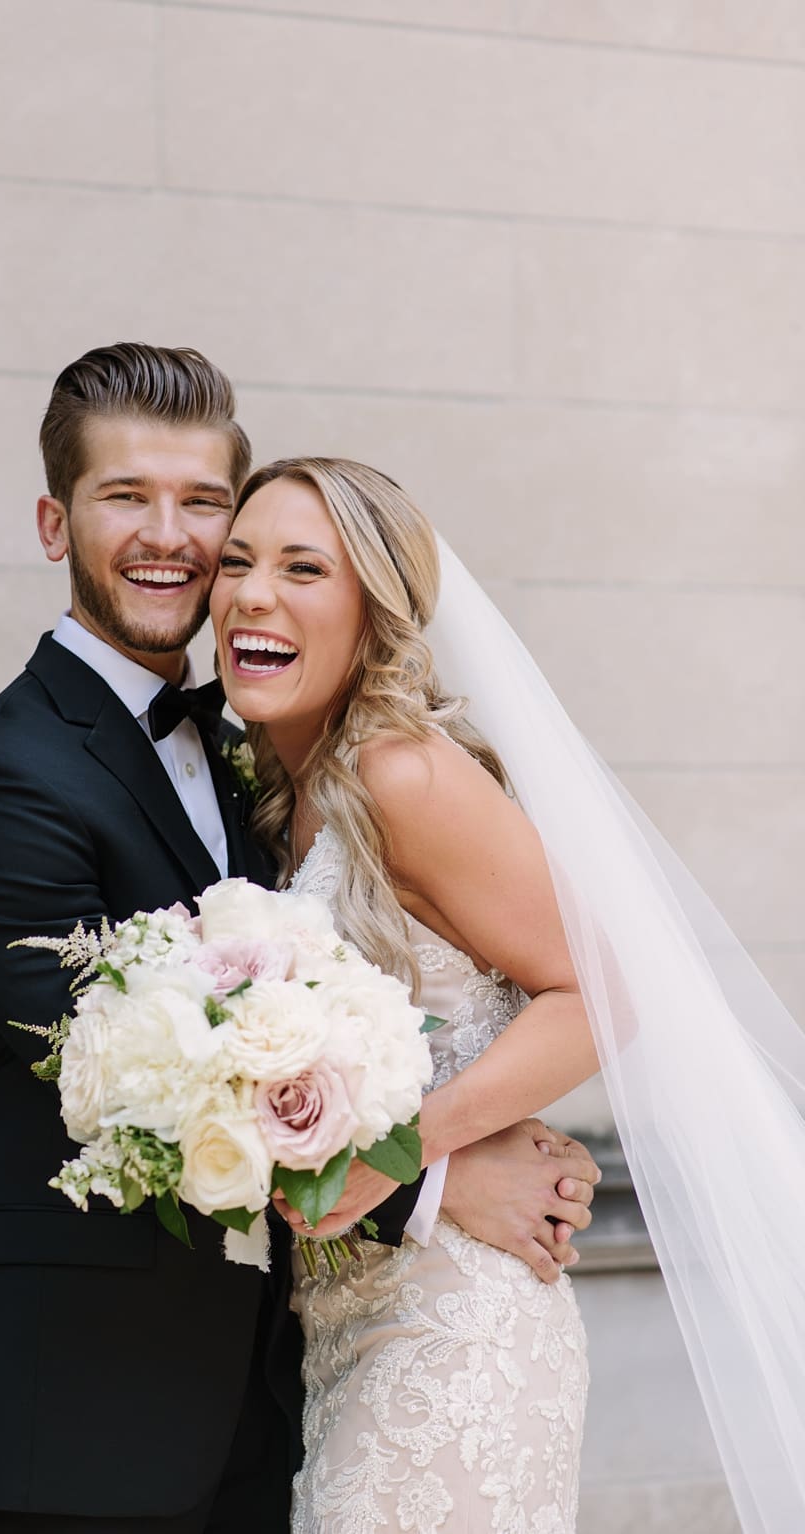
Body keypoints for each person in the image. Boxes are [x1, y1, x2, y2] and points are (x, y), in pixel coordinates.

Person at [0, 345, 600, 1533]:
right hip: (83, 1411)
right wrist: (429, 1181)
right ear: (53, 520)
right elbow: (119, 1083)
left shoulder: (263, 763)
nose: (169, 538)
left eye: (203, 507)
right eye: (126, 495)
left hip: (268, 1391)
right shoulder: (1, 778)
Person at [210, 454, 805, 1534]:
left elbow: (604, 994)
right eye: (239, 561)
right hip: (347, 1325)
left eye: (304, 567)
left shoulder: (403, 773)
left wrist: (403, 1151)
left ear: (371, 612)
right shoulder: (284, 795)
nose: (254, 591)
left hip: (456, 1336)